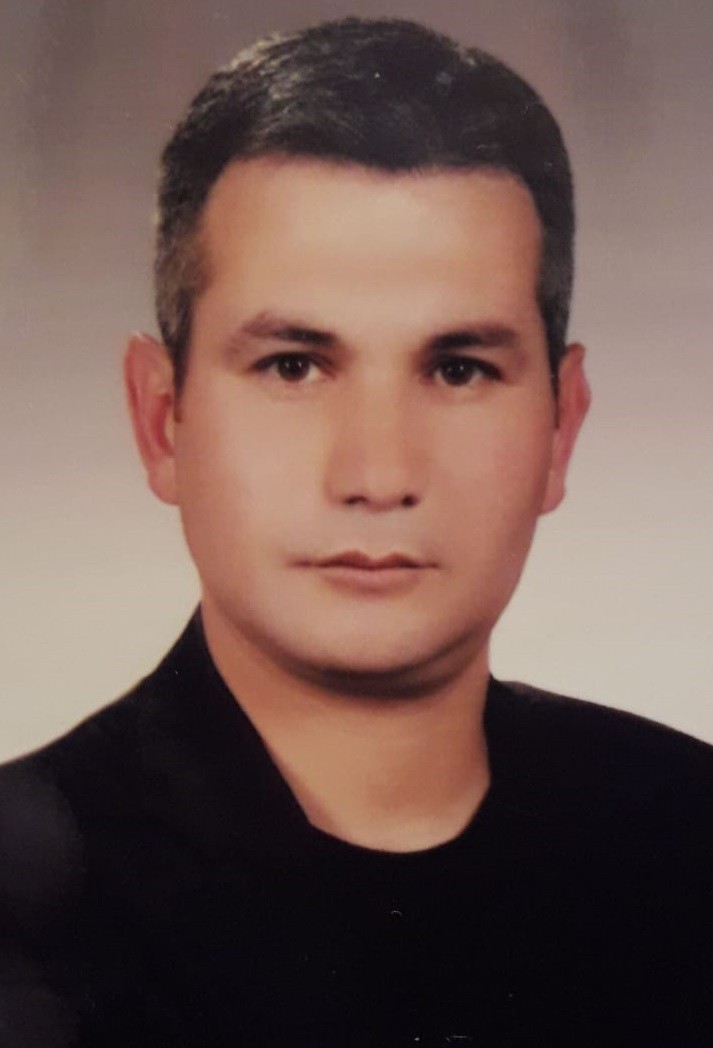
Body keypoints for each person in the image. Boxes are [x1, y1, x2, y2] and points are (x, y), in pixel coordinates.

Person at [0, 16, 710, 1047]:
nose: (377, 475)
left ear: (561, 429)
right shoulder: (22, 909)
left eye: (457, 369)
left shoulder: (689, 840)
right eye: (292, 365)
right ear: (162, 420)